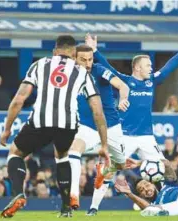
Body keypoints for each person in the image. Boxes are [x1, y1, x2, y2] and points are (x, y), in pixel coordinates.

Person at [84, 33, 178, 216]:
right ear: (137, 68)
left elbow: (169, 68)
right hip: (126, 136)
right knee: (109, 171)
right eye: (148, 65)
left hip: (146, 136)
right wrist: (95, 50)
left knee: (166, 165)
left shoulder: (151, 82)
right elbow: (107, 67)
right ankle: (93, 208)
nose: (151, 67)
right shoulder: (124, 81)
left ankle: (169, 200)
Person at [0, 35, 109, 218]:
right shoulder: (82, 72)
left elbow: (19, 99)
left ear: (54, 51)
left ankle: (18, 192)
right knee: (62, 156)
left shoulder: (40, 65)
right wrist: (104, 145)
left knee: (16, 153)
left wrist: (7, 129)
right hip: (68, 124)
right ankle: (66, 209)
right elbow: (98, 111)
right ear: (74, 53)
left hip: (41, 121)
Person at [67, 44, 130, 210]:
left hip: (111, 126)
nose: (88, 63)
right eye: (83, 60)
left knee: (121, 164)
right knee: (74, 151)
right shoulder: (69, 75)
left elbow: (122, 86)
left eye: (90, 59)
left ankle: (103, 172)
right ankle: (74, 195)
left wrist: (122, 99)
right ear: (74, 58)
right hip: (89, 126)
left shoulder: (99, 70)